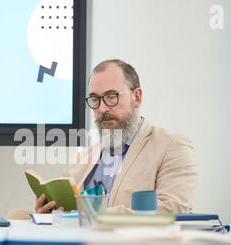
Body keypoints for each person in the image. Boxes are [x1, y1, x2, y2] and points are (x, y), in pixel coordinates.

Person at [35, 59, 197, 214]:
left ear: (137, 97)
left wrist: (90, 215)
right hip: (79, 241)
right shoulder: (81, 159)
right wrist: (51, 213)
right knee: (17, 215)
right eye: (94, 99)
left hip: (131, 242)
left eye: (111, 97)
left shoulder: (172, 146)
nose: (102, 108)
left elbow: (171, 209)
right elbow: (67, 215)